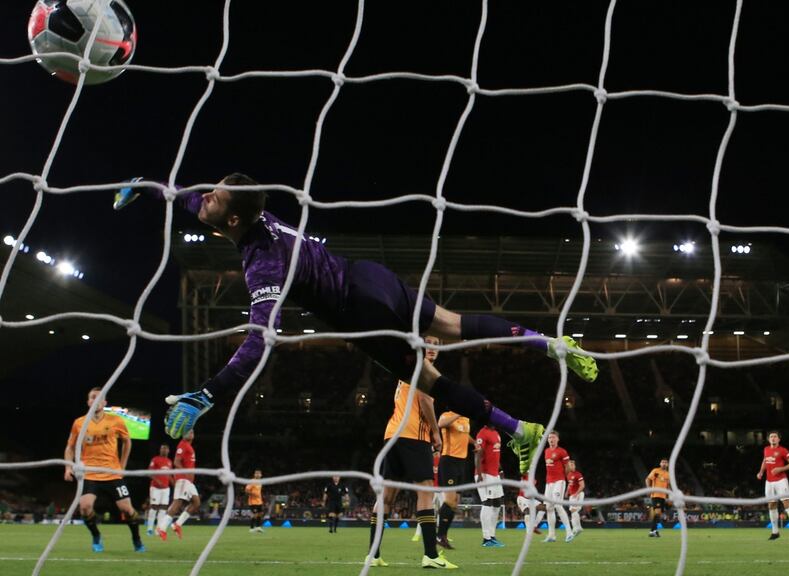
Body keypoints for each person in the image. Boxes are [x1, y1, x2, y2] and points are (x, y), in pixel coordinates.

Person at [115, 175, 597, 469]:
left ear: (234, 221)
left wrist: (209, 394)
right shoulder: (254, 216)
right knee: (455, 323)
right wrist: (147, 186)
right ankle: (553, 345)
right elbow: (186, 198)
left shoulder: (262, 260)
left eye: (214, 200)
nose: (206, 201)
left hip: (357, 311)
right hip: (370, 275)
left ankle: (519, 430)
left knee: (428, 379)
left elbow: (260, 342)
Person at [366, 337, 455, 569]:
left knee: (386, 496)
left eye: (437, 343)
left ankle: (372, 555)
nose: (433, 347)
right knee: (425, 490)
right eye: (429, 342)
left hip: (392, 434)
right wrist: (436, 433)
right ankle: (431, 555)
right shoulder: (423, 368)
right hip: (414, 435)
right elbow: (425, 400)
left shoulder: (406, 367)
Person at [64, 387, 144, 553]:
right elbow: (70, 448)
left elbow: (127, 442)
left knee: (127, 510)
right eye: (93, 397)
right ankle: (96, 536)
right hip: (89, 473)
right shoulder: (79, 423)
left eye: (99, 397)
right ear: (88, 402)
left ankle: (137, 539)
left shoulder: (116, 421)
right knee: (85, 507)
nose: (96, 400)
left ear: (105, 402)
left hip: (112, 473)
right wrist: (68, 467)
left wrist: (122, 466)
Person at [437, 410, 471, 550]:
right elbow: (440, 424)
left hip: (461, 463)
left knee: (455, 502)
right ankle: (439, 535)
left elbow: (464, 435)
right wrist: (457, 414)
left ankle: (442, 535)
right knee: (449, 500)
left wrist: (474, 443)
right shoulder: (446, 415)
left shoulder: (466, 418)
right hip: (449, 460)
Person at [157, 430, 200, 541]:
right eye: (188, 432)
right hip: (183, 479)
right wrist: (185, 472)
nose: (190, 434)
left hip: (189, 482)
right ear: (183, 434)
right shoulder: (182, 445)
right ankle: (161, 528)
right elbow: (176, 462)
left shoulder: (188, 446)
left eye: (192, 432)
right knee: (178, 503)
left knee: (196, 503)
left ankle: (177, 524)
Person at [757, 431, 789, 540]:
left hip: (781, 481)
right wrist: (761, 472)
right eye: (771, 436)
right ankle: (775, 532)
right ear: (768, 439)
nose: (773, 438)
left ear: (779, 439)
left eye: (775, 436)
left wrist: (780, 469)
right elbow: (765, 461)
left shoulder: (783, 450)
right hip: (769, 482)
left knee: (787, 504)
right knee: (771, 505)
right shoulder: (766, 449)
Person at [539, 430, 573, 543]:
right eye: (549, 438)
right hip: (549, 483)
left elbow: (567, 468)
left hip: (559, 481)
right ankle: (551, 535)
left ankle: (569, 532)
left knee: (558, 505)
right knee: (549, 508)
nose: (551, 439)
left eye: (553, 437)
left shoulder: (562, 452)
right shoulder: (546, 451)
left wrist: (566, 481)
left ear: (557, 439)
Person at [475, 423, 504, 548]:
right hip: (485, 474)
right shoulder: (482, 433)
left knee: (497, 502)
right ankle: (486, 538)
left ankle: (492, 536)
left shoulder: (496, 433)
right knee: (487, 502)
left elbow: (495, 456)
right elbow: (478, 454)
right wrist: (480, 474)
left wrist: (500, 469)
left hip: (494, 473)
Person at [146, 444, 173, 536]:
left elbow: (169, 475)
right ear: (160, 450)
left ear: (168, 450)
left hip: (166, 489)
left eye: (166, 448)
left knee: (163, 508)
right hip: (155, 488)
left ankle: (158, 529)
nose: (164, 450)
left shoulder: (169, 462)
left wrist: (174, 484)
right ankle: (149, 528)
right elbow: (149, 473)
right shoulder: (155, 459)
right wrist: (157, 481)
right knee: (154, 507)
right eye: (162, 448)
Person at [646, 458, 670, 538]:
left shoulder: (668, 474)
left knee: (658, 514)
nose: (664, 463)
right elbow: (647, 479)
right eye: (662, 462)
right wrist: (649, 489)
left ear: (667, 464)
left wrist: (669, 495)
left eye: (665, 462)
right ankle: (653, 531)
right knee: (657, 513)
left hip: (663, 496)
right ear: (660, 463)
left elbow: (668, 486)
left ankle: (653, 531)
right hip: (655, 495)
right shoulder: (656, 471)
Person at [566, 459, 585, 537]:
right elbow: (569, 484)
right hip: (572, 495)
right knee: (574, 511)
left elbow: (582, 485)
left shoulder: (578, 474)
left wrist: (576, 493)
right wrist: (567, 492)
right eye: (571, 465)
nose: (572, 466)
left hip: (578, 494)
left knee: (573, 510)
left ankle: (575, 528)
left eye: (573, 465)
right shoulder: (568, 475)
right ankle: (579, 528)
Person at [245, 469, 264, 533]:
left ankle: (258, 527)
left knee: (260, 514)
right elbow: (247, 490)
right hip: (253, 501)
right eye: (256, 473)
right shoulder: (252, 481)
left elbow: (258, 492)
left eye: (259, 473)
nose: (257, 474)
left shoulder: (260, 482)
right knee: (255, 514)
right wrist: (253, 494)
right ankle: (251, 528)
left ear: (261, 475)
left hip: (259, 501)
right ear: (254, 474)